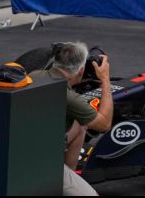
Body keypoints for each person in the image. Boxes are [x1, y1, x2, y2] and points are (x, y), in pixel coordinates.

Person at [30, 42, 113, 196]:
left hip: (24, 146)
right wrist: (105, 79)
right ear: (81, 70)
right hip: (37, 161)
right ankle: (60, 180)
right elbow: (104, 124)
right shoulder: (69, 97)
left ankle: (64, 183)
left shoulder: (33, 75)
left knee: (80, 125)